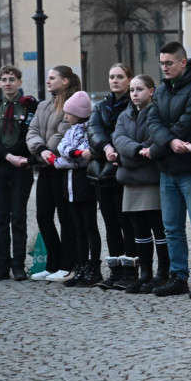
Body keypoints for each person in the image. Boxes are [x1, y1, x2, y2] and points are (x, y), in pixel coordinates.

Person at [146, 41, 191, 298]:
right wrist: (168, 141)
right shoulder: (163, 89)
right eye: (162, 63)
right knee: (172, 229)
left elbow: (187, 126)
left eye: (168, 63)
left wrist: (161, 144)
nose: (164, 67)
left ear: (182, 63)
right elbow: (151, 120)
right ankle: (178, 276)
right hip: (168, 169)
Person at [0, 65, 39, 281]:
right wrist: (6, 156)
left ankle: (18, 264)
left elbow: (28, 137)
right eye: (4, 79)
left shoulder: (30, 107)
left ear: (20, 82)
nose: (8, 83)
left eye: (12, 79)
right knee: (0, 217)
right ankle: (2, 264)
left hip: (21, 167)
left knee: (18, 216)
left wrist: (13, 156)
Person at [112, 74, 169, 293]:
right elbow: (118, 139)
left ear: (151, 91)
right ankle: (144, 273)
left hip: (151, 178)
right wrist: (136, 151)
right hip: (131, 180)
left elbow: (155, 141)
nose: (135, 93)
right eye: (133, 90)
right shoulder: (124, 115)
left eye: (140, 89)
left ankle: (163, 273)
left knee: (158, 228)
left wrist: (136, 152)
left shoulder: (157, 113)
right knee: (139, 230)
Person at [26, 66, 81, 282]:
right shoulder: (43, 105)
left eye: (52, 78)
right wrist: (41, 150)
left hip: (63, 169)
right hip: (46, 168)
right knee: (43, 216)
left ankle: (67, 264)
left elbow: (60, 138)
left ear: (65, 81)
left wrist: (47, 149)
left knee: (66, 218)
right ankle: (53, 262)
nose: (47, 82)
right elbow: (32, 132)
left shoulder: (72, 105)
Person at [87, 64, 136, 289]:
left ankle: (131, 271)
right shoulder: (101, 106)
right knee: (110, 224)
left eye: (119, 77)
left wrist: (116, 148)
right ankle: (115, 271)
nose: (114, 81)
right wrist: (106, 147)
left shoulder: (132, 105)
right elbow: (94, 131)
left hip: (125, 171)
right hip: (103, 173)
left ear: (129, 80)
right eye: (111, 77)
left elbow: (127, 132)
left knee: (127, 223)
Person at [50, 91, 102, 288]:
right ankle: (81, 265)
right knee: (78, 228)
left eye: (69, 113)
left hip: (84, 184)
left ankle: (94, 267)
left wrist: (67, 157)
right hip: (70, 186)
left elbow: (81, 158)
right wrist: (71, 155)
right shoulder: (70, 131)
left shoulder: (87, 130)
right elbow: (63, 149)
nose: (65, 116)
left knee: (89, 227)